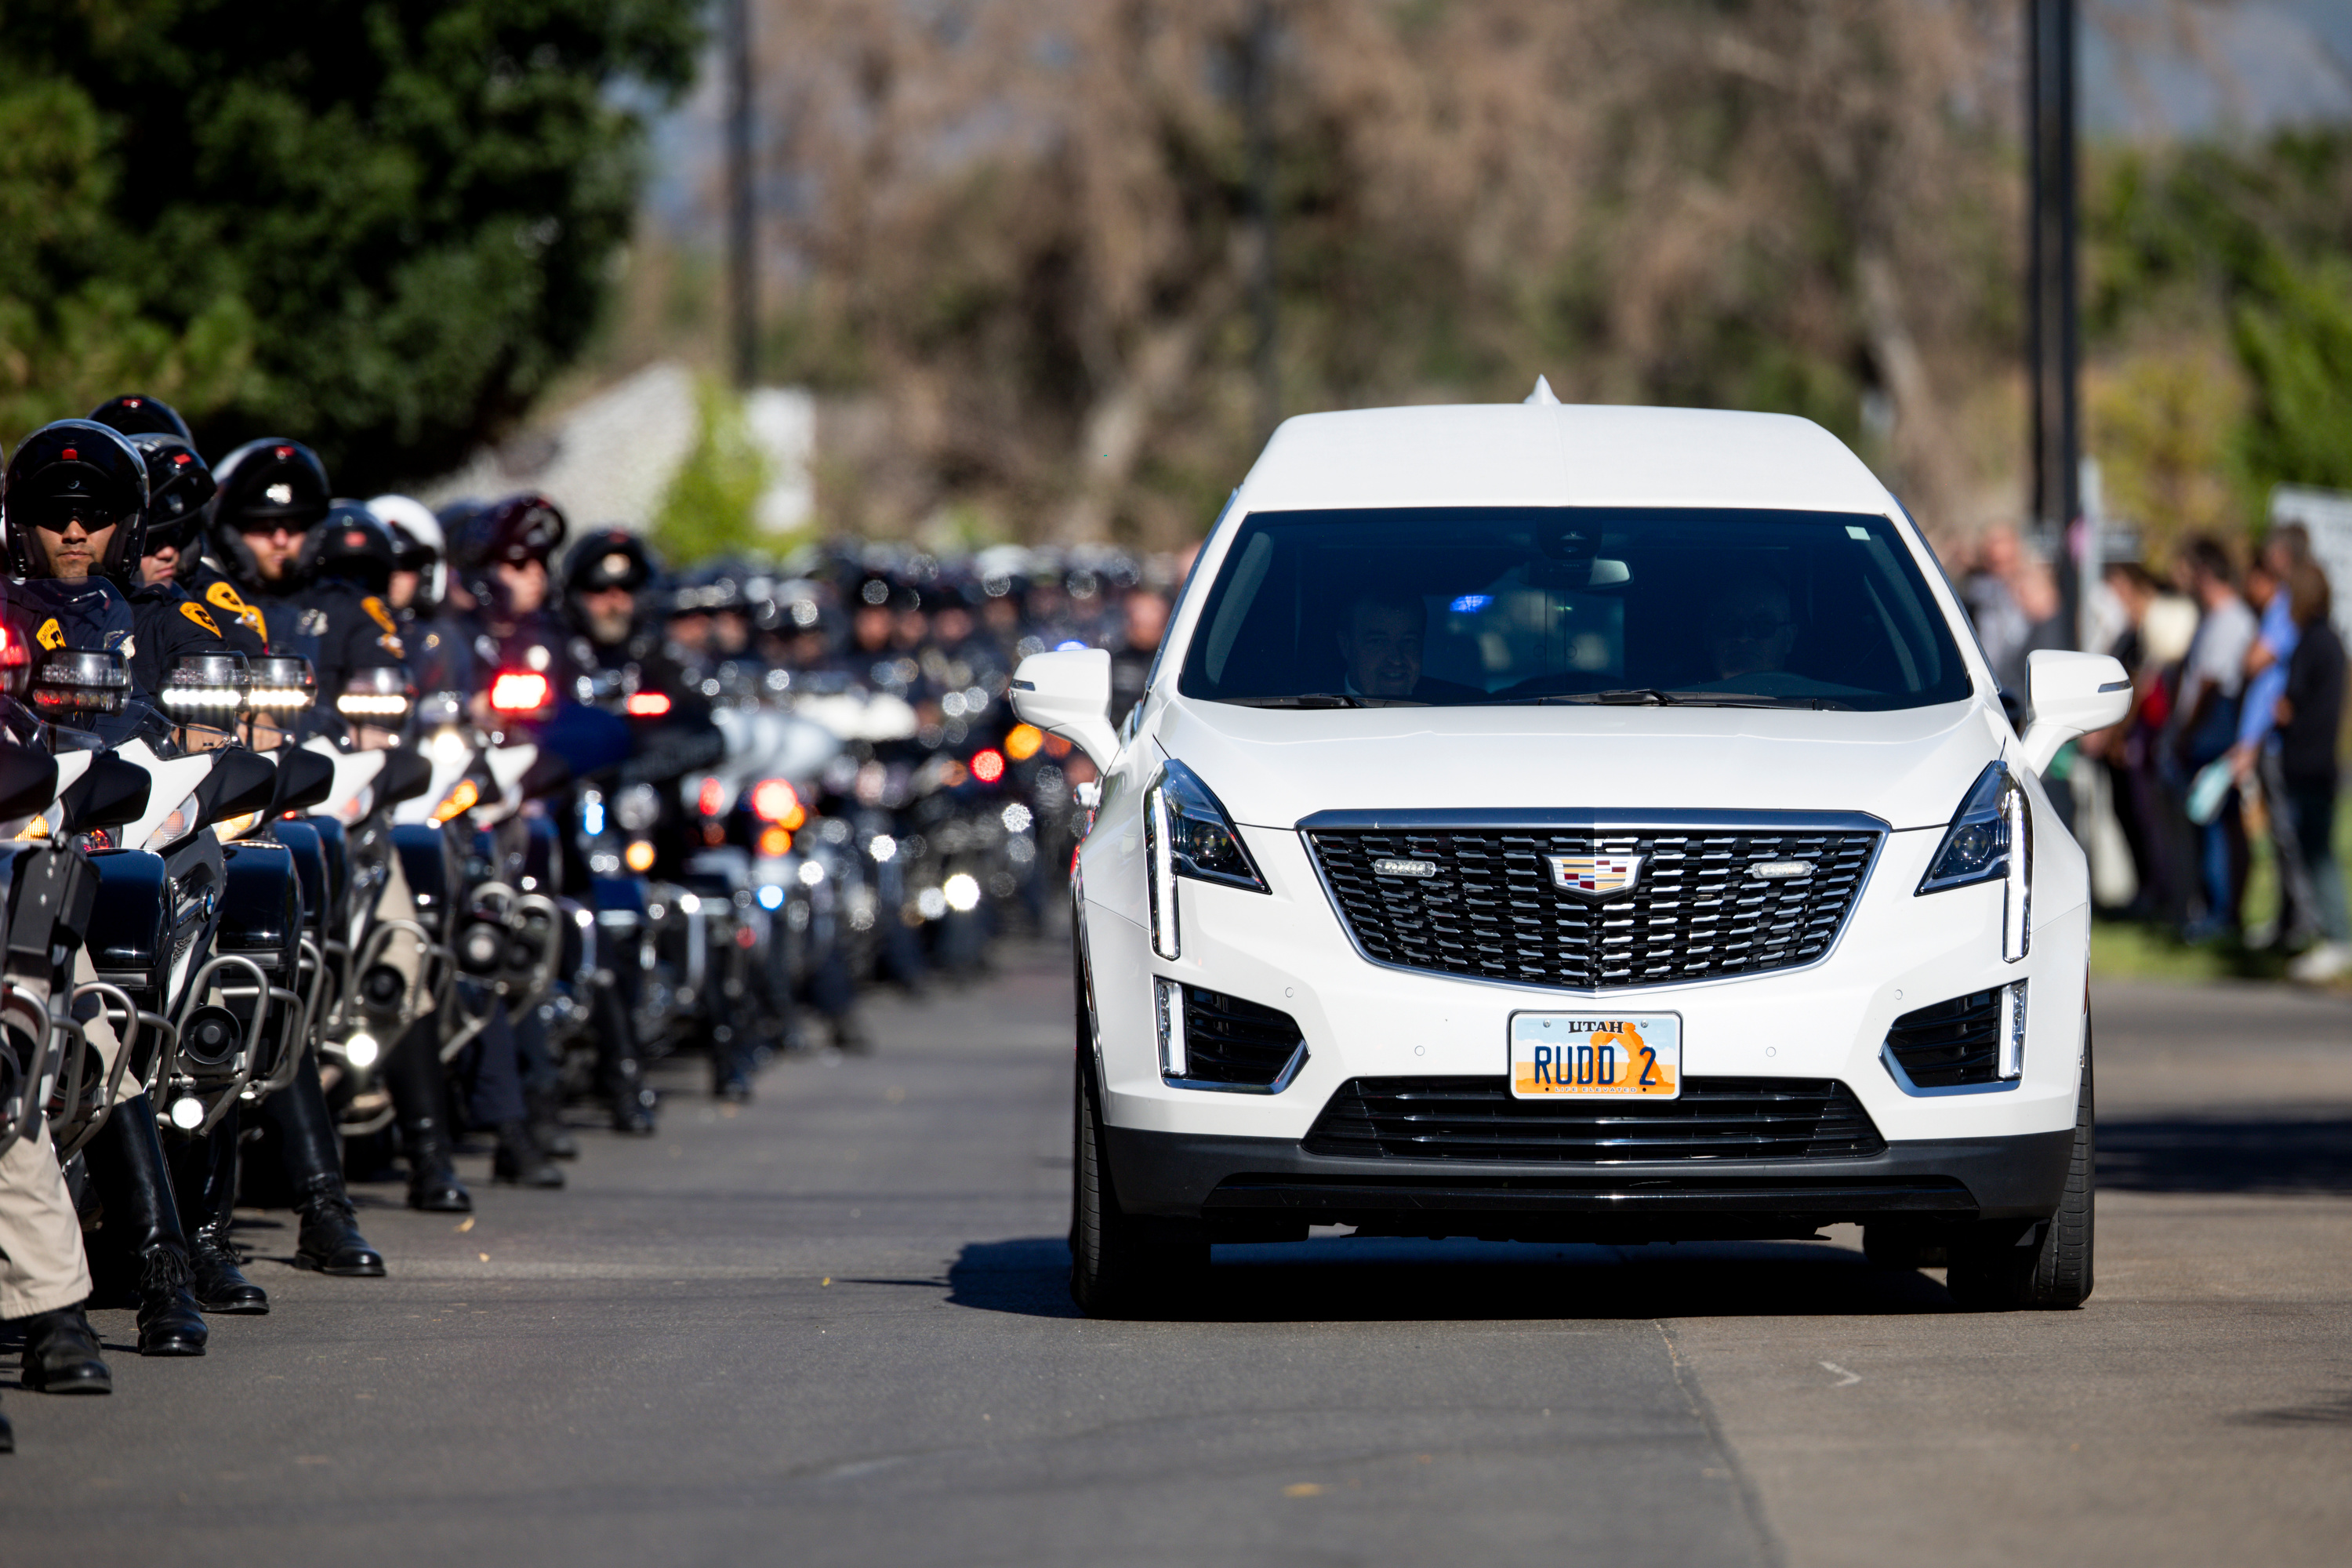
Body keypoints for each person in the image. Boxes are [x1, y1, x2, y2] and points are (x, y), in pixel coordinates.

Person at [2, 421, 214, 1354]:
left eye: (94, 516)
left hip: (37, 858)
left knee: (95, 1029)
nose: (75, 531)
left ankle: (165, 1259)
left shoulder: (155, 615)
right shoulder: (8, 607)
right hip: (28, 841)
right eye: (56, 515)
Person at [2169, 536, 2259, 942]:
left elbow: (2210, 684)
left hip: (2215, 735)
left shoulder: (2232, 620)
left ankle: (2223, 914)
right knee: (2210, 825)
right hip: (2205, 733)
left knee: (2218, 826)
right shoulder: (2213, 618)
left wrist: (2187, 731)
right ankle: (2215, 909)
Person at [2277, 561, 2348, 982]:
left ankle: (2338, 938)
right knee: (2312, 852)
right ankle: (2330, 934)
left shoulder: (2311, 643)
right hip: (2319, 761)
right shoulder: (2332, 641)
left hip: (2308, 762)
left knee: (2317, 856)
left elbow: (2289, 702)